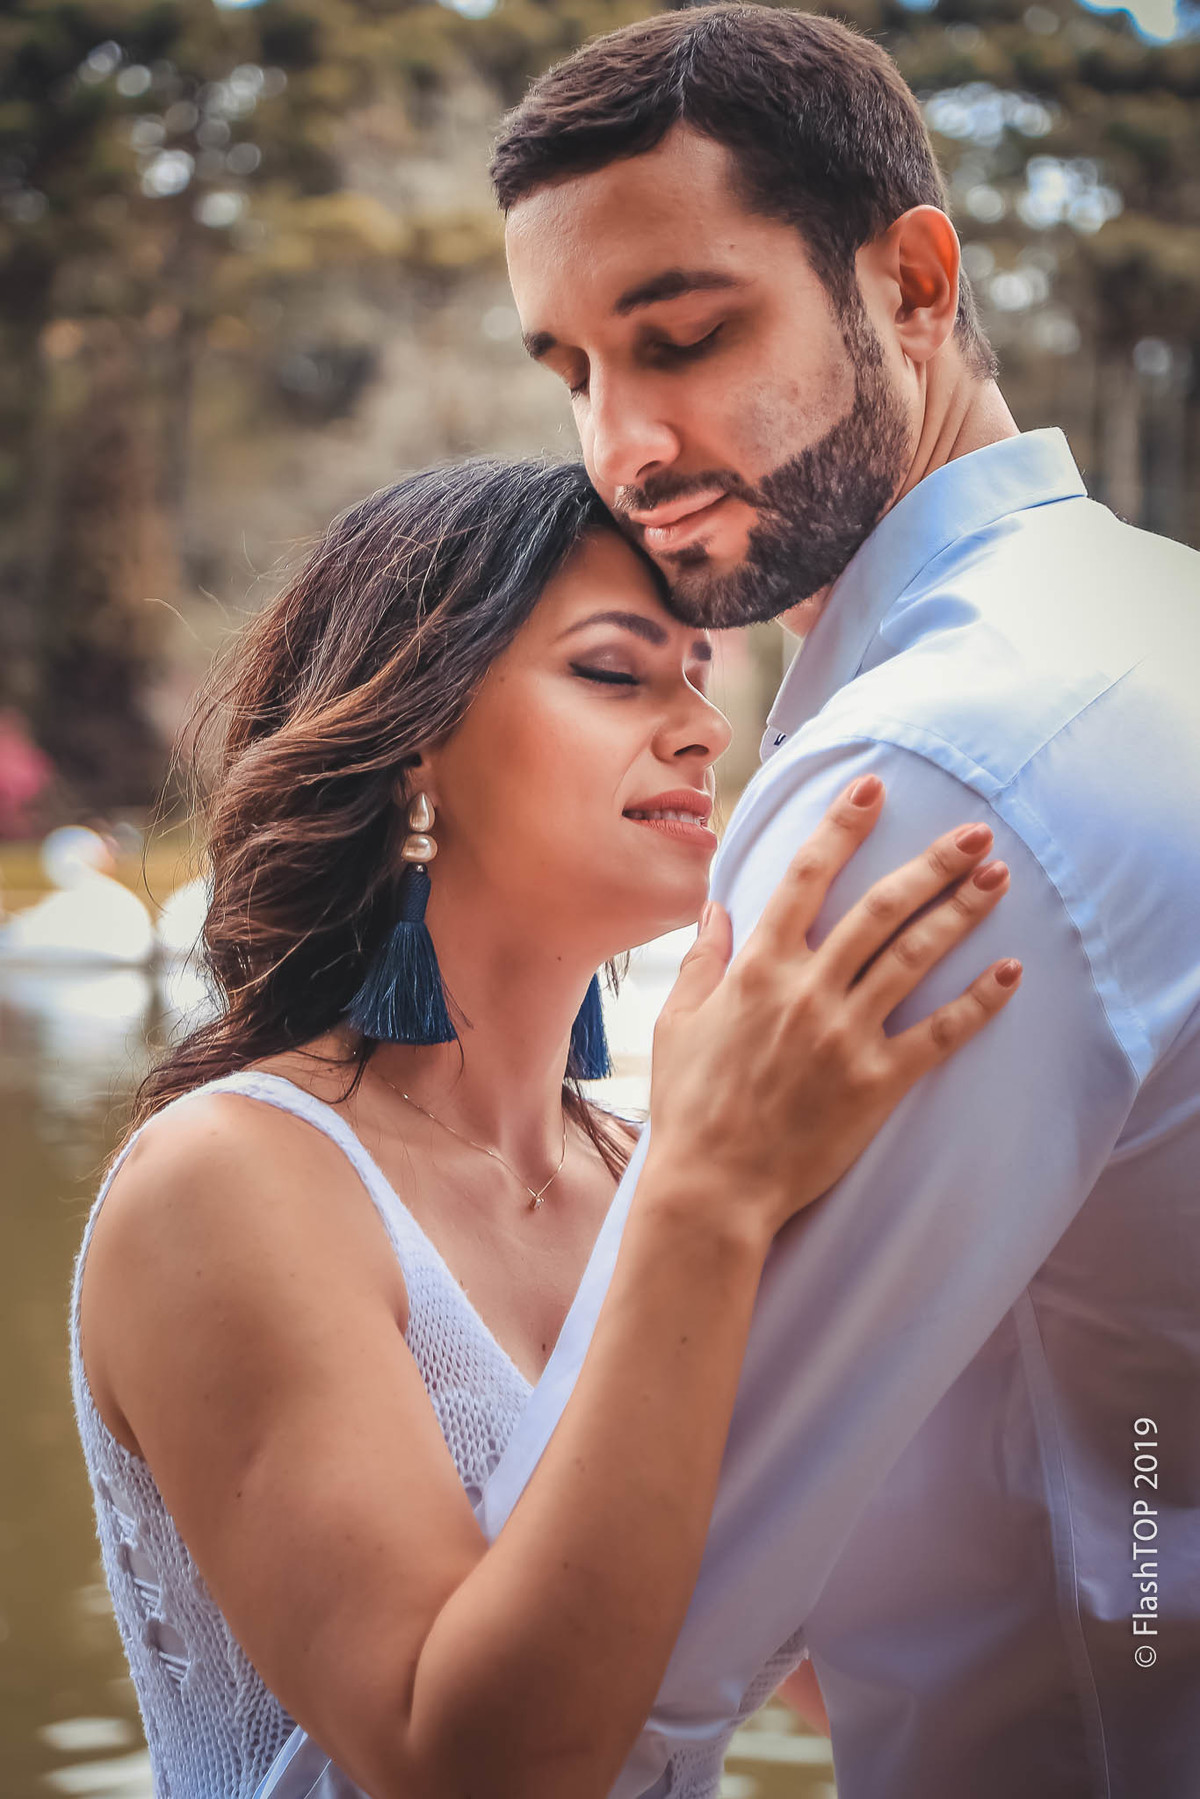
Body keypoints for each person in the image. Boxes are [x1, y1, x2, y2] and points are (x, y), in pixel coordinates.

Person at [473, 9, 1200, 1798]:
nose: (624, 446)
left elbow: (612, 1683)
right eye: (570, 370)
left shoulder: (933, 779)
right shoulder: (1149, 612)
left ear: (916, 283)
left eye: (690, 336)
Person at [69, 458, 1018, 1799]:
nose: (702, 728)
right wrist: (713, 1201)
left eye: (701, 676)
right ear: (416, 744)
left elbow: (857, 1656)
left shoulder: (649, 1167)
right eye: (620, 674)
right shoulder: (231, 1179)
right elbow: (473, 1765)